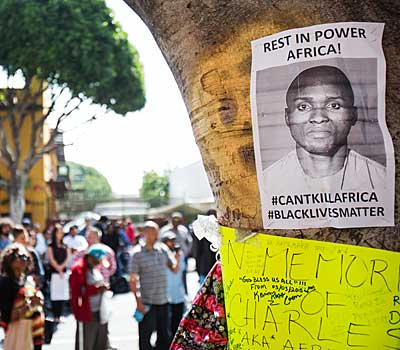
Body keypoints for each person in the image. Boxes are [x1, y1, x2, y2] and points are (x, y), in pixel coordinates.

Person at [263, 65, 386, 194]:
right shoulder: (266, 183)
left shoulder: (381, 179)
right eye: (303, 106)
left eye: (334, 105)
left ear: (353, 115)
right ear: (287, 117)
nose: (318, 118)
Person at [129, 221, 179, 350]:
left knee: (164, 338)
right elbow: (133, 280)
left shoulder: (162, 249)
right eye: (152, 232)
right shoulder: (137, 254)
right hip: (147, 303)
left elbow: (174, 269)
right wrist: (138, 302)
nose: (155, 235)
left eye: (156, 232)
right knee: (145, 339)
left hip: (163, 301)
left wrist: (177, 258)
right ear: (144, 233)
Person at [0, 243, 44, 350]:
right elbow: (6, 316)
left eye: (27, 257)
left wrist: (39, 301)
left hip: (34, 332)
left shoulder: (28, 281)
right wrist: (29, 306)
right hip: (18, 333)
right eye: (21, 257)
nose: (25, 260)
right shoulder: (5, 283)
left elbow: (37, 302)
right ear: (10, 260)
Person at [70, 244, 110, 350]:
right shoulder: (78, 269)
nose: (98, 263)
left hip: (100, 311)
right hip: (87, 313)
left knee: (100, 343)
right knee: (87, 344)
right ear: (90, 258)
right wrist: (96, 289)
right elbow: (78, 292)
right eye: (97, 260)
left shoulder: (94, 268)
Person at [160, 231, 186, 340]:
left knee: (178, 321)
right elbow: (173, 270)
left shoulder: (180, 255)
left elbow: (182, 272)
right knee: (167, 323)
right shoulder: (162, 255)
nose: (172, 243)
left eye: (173, 241)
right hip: (167, 293)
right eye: (170, 241)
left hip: (178, 293)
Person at [47, 224, 71, 322]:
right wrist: (58, 268)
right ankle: (55, 315)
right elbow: (51, 258)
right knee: (55, 295)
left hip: (63, 272)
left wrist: (62, 268)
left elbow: (68, 257)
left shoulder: (65, 246)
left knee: (62, 294)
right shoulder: (50, 246)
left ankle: (60, 314)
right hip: (54, 272)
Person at [193, 209, 217, 285]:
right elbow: (197, 251)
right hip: (205, 268)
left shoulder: (219, 230)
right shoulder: (201, 231)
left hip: (212, 268)